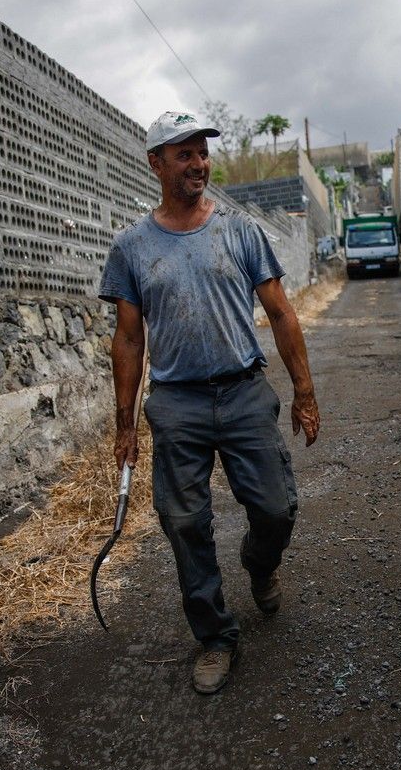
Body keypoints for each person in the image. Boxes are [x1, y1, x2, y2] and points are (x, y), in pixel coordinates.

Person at [100, 111, 320, 695]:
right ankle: (216, 636)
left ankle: (259, 563)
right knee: (182, 521)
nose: (199, 164)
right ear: (156, 163)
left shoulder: (239, 230)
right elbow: (128, 338)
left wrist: (304, 390)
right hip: (177, 404)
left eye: (203, 153)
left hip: (245, 391)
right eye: (184, 154)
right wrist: (125, 426)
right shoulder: (131, 247)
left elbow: (279, 312)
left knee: (275, 510)